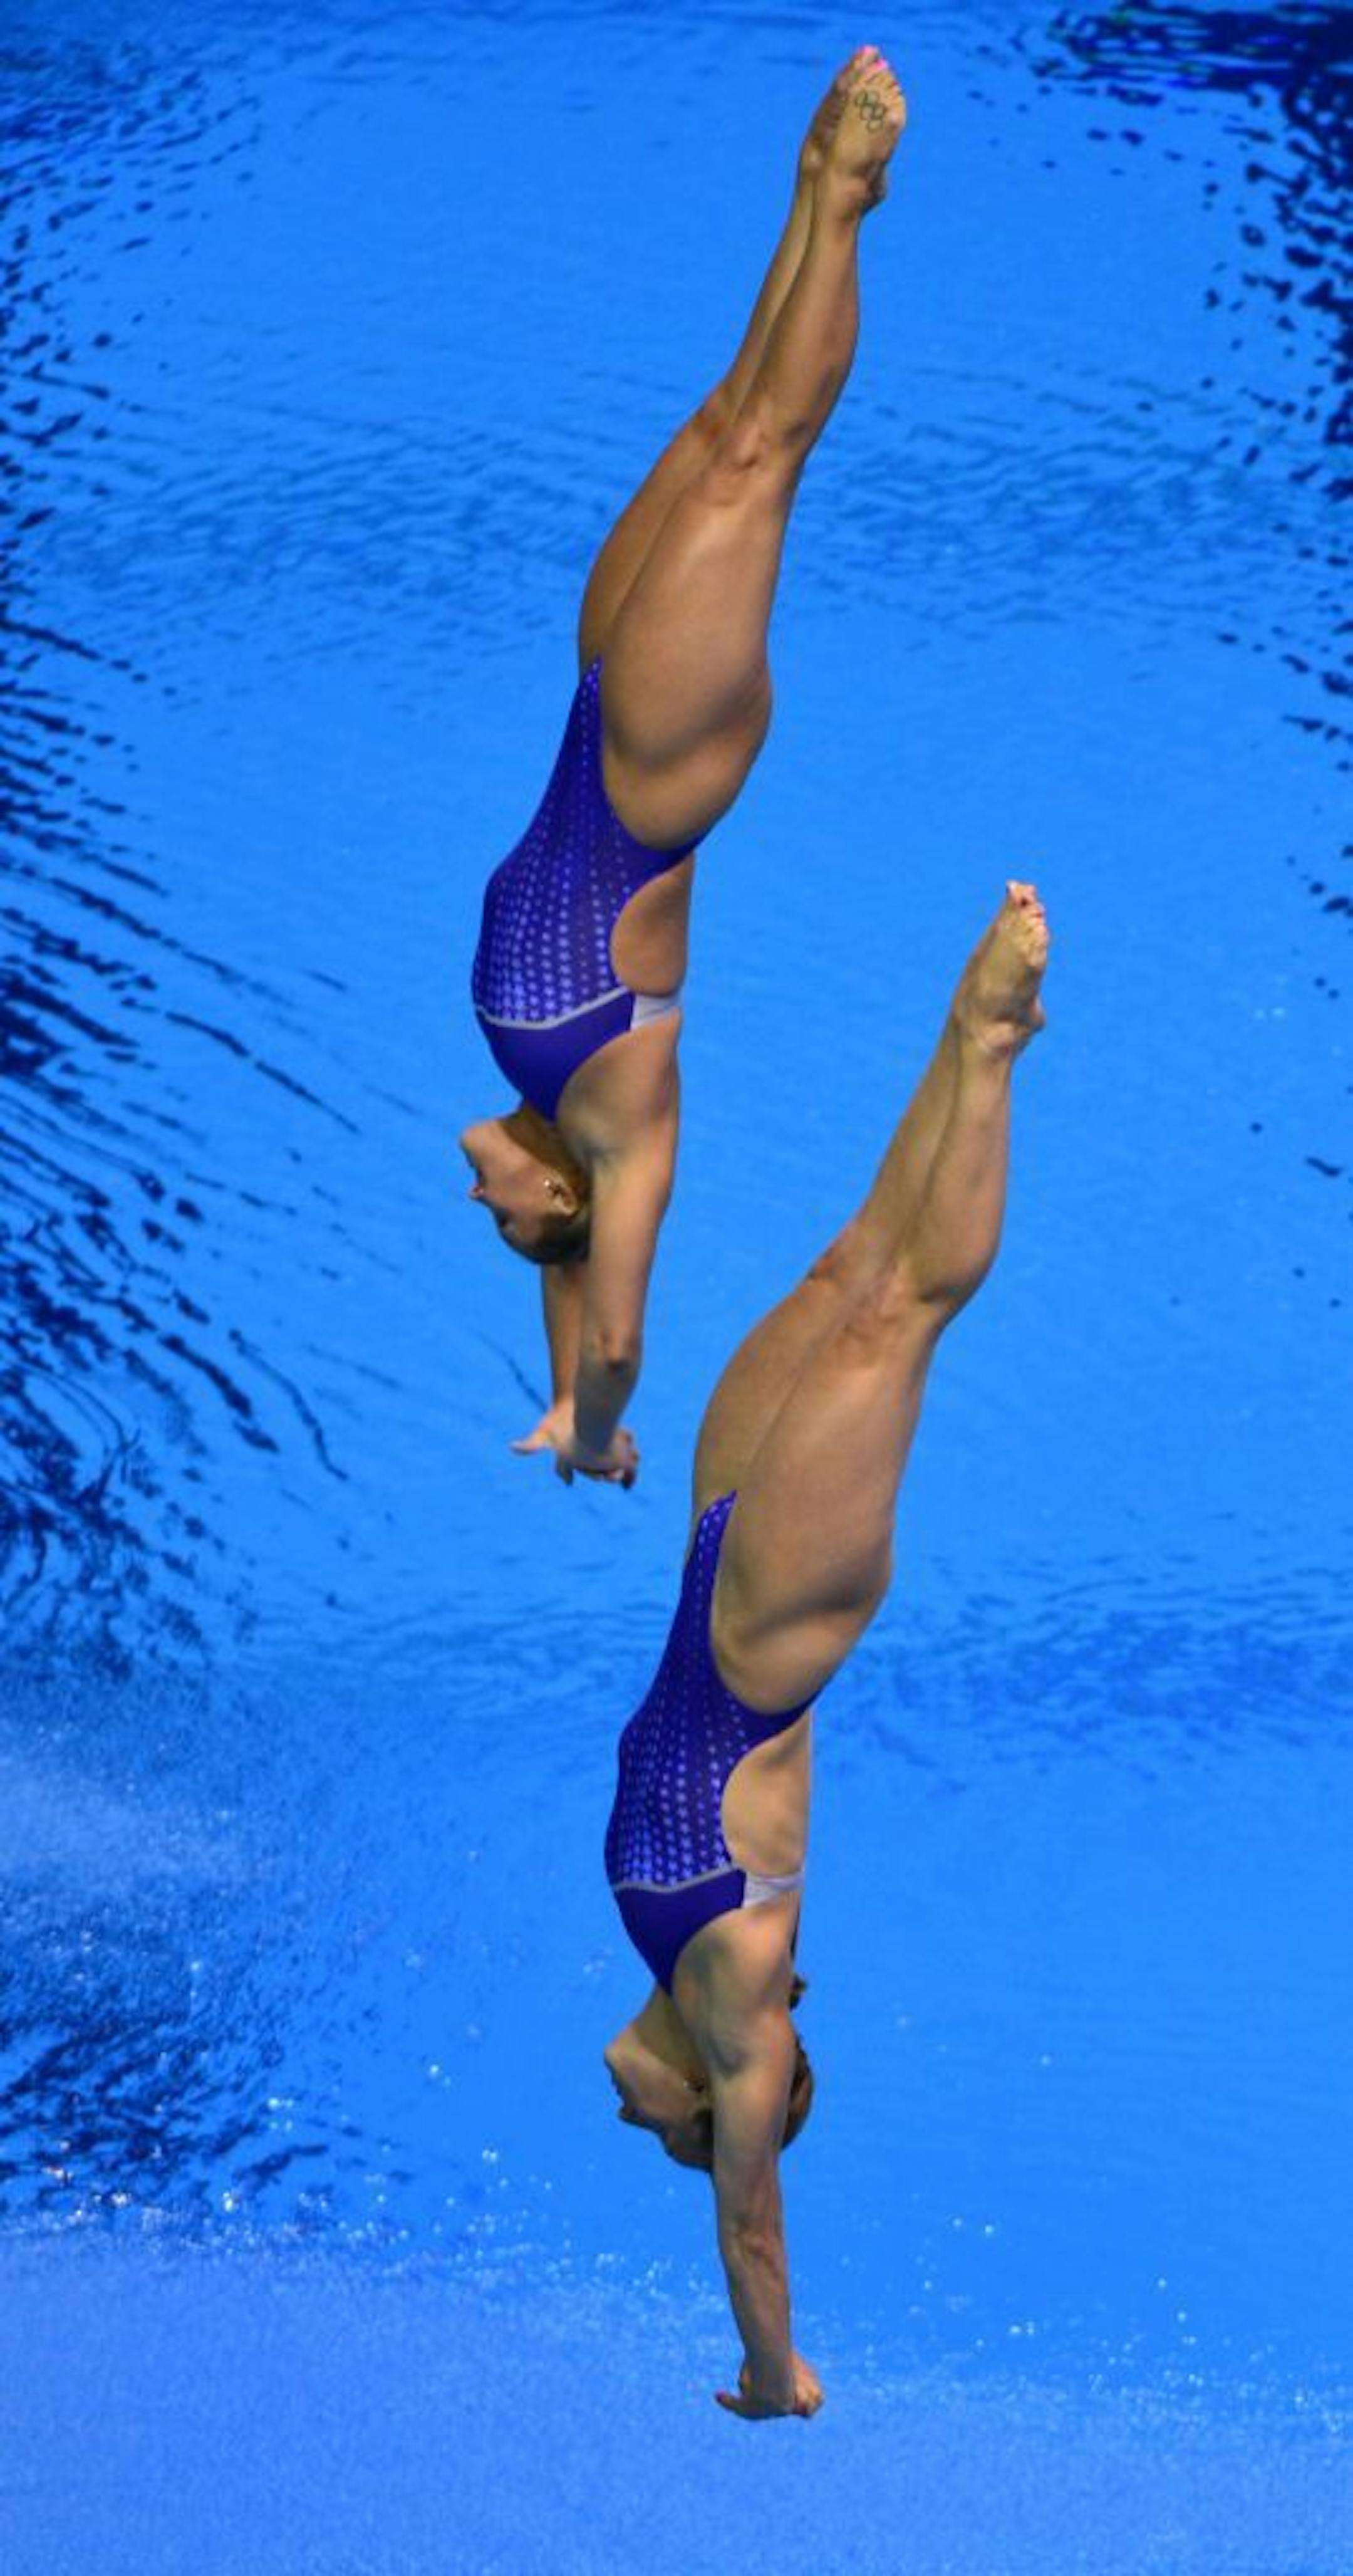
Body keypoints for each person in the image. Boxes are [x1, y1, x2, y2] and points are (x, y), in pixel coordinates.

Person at [602, 885, 1050, 2419]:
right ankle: (989, 1045)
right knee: (901, 1311)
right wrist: (768, 2365)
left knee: (850, 1265)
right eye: (676, 2131)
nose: (646, 2122)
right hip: (775, 1628)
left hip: (715, 1558)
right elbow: (749, 2218)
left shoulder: (667, 1957)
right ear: (748, 2099)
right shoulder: (744, 2014)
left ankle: (972, 1025)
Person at [462, 50, 906, 1489]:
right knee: (760, 462)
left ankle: (804, 194)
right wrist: (592, 1429)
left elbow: (562, 1293)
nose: (480, 1196)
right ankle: (846, 206)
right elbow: (615, 1333)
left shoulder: (544, 1121)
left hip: (594, 707)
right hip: (658, 776)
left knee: (725, 419)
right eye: (506, 1215)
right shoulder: (620, 1139)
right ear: (556, 1195)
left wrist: (552, 1377)